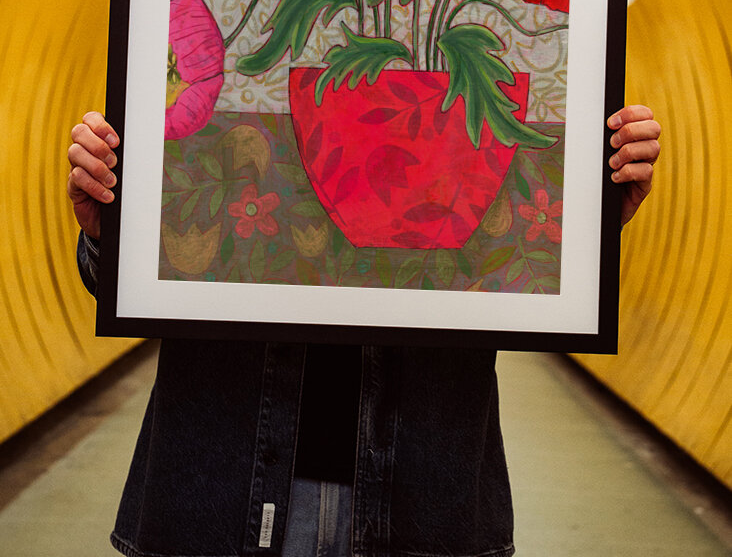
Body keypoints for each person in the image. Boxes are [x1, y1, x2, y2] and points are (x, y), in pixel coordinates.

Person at [68, 105, 660, 557]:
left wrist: (587, 224)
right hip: (220, 491)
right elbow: (133, 280)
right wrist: (110, 233)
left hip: (422, 498)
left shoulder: (465, 100)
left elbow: (513, 265)